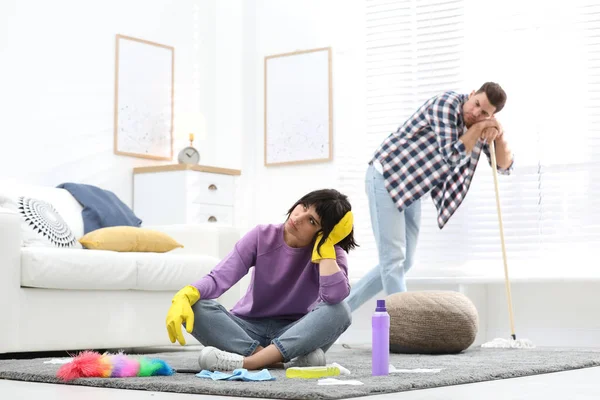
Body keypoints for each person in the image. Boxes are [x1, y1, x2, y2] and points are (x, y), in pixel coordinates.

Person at [346, 82, 514, 312]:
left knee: (404, 262)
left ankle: (340, 309)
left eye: (484, 113)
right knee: (393, 260)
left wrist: (498, 134)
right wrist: (478, 129)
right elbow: (451, 155)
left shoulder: (480, 124)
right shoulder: (445, 104)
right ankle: (405, 326)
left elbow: (504, 166)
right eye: (476, 104)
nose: (476, 113)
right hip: (387, 176)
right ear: (473, 93)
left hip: (413, 188)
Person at [165, 189, 358, 371]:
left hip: (295, 333)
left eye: (312, 221)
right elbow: (220, 277)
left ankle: (250, 362)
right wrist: (189, 292)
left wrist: (324, 250)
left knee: (340, 311)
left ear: (326, 233)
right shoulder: (261, 235)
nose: (298, 218)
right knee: (194, 305)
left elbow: (333, 297)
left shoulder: (331, 256)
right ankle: (277, 361)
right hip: (246, 329)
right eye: (304, 206)